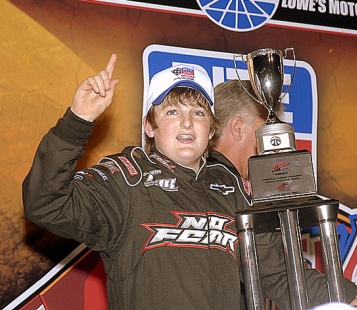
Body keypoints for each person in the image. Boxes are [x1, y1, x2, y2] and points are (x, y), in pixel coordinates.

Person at [23, 55, 248, 309]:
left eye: (198, 112)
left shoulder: (232, 188)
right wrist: (78, 121)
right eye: (172, 111)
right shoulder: (126, 180)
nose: (187, 122)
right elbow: (45, 202)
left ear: (210, 130)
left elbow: (274, 271)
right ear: (150, 126)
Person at [208, 79, 357, 309]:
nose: (273, 145)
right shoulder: (224, 186)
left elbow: (274, 271)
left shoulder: (234, 187)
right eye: (266, 131)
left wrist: (348, 294)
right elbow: (277, 273)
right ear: (238, 127)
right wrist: (351, 296)